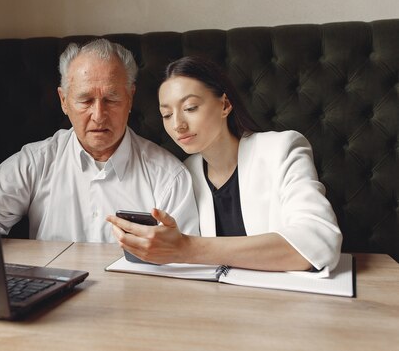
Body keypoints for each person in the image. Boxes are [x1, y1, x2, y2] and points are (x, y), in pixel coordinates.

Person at [107, 56, 342, 271]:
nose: (178, 124)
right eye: (167, 115)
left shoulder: (282, 149)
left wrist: (187, 248)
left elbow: (319, 241)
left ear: (225, 105)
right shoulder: (184, 174)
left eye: (190, 108)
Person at [0, 39, 199, 242]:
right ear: (64, 101)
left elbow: (185, 260)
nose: (99, 116)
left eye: (111, 99)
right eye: (85, 100)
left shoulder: (169, 176)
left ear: (130, 98)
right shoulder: (33, 163)